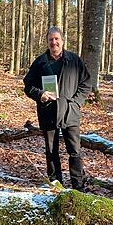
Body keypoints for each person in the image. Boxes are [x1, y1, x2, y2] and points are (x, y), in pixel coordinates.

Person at [23, 26, 92, 191]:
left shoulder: (74, 61)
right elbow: (28, 85)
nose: (54, 42)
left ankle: (78, 186)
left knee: (74, 150)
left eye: (56, 39)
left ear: (62, 41)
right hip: (48, 112)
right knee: (51, 151)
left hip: (70, 112)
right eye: (51, 40)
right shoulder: (40, 62)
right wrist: (40, 94)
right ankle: (56, 184)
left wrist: (75, 102)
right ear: (47, 42)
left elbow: (86, 84)